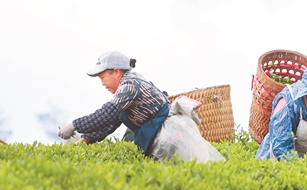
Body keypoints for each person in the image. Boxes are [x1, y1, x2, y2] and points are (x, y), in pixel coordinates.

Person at [58, 51, 223, 162]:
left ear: (116, 71)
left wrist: (74, 125)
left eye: (103, 77)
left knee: (188, 169)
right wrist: (88, 138)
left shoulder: (129, 85)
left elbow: (107, 114)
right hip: (161, 135)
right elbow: (113, 121)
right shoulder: (128, 85)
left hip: (169, 135)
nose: (102, 84)